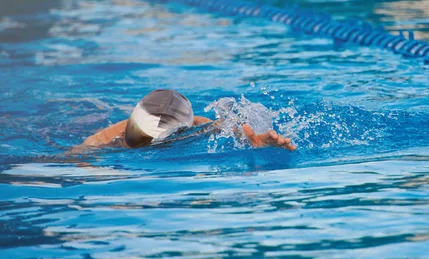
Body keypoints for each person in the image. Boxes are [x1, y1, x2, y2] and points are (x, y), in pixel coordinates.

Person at [75, 89, 296, 151]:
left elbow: (222, 128)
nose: (131, 144)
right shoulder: (100, 141)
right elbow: (78, 157)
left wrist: (253, 142)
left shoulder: (196, 127)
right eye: (132, 136)